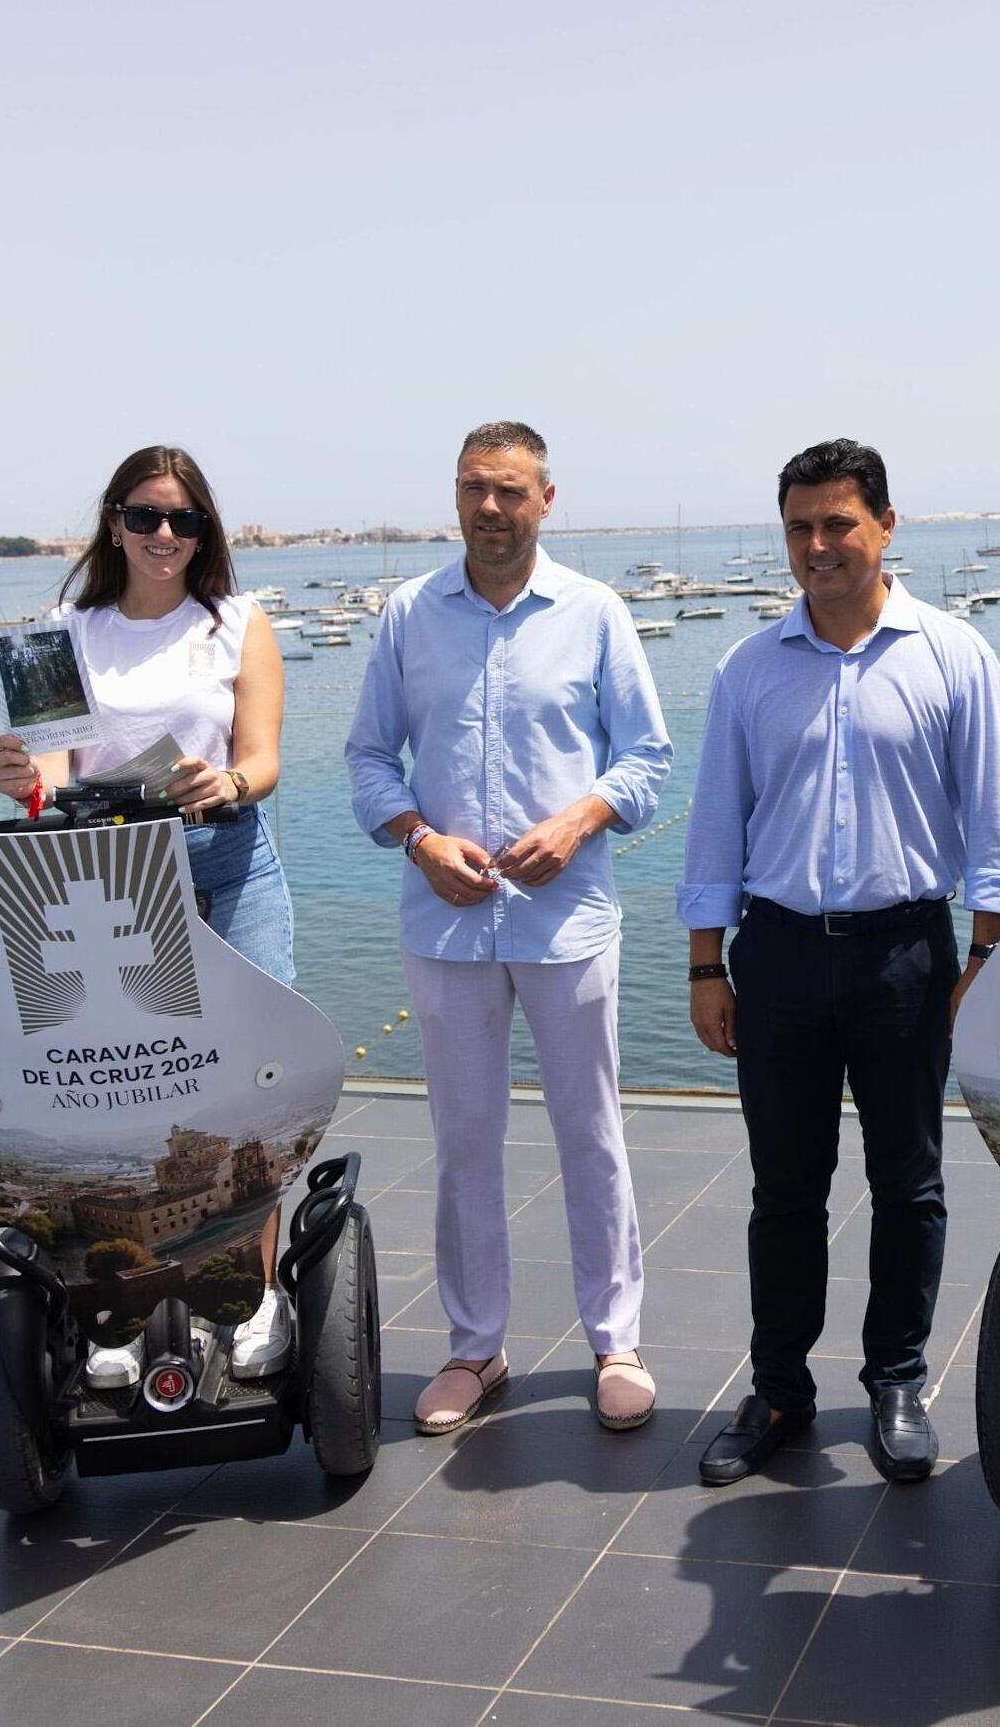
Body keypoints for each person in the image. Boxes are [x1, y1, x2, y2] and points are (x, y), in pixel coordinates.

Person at [680, 439, 1000, 1487]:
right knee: (784, 1189)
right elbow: (714, 829)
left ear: (883, 526)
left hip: (905, 958)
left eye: (837, 524)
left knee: (908, 1183)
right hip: (778, 955)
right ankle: (779, 1388)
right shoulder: (746, 670)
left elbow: (992, 823)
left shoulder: (954, 655)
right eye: (798, 527)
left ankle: (896, 1379)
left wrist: (985, 957)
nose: (817, 546)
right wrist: (706, 966)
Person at [346, 422, 673, 1435]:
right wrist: (416, 841)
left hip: (566, 921)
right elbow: (366, 758)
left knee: (591, 1135)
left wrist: (579, 821)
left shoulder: (595, 614)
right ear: (455, 499)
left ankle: (614, 1340)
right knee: (463, 1141)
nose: (489, 509)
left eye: (508, 491)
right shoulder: (409, 614)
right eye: (472, 490)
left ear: (545, 499)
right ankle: (473, 1348)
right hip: (444, 931)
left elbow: (648, 761)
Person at [0, 442, 296, 1370]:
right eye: (145, 515)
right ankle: (112, 1315)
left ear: (205, 532)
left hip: (226, 859)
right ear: (113, 523)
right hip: (109, 878)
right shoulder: (66, 631)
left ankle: (250, 1296)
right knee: (114, 1080)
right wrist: (19, 778)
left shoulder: (238, 622)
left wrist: (226, 779)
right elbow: (48, 776)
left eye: (184, 519)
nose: (164, 534)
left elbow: (264, 759)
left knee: (253, 1086)